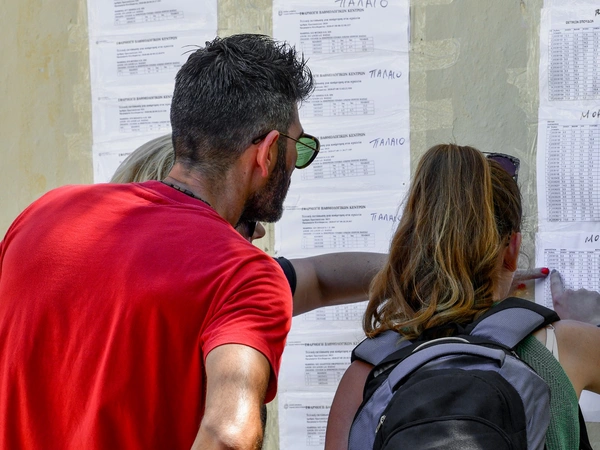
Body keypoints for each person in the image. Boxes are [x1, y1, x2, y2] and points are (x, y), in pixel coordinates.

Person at [0, 34, 315, 450]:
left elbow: (317, 278)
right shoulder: (242, 273)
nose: (297, 163)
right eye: (299, 146)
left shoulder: (44, 215)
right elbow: (228, 435)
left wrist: (397, 268)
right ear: (268, 152)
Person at [324, 144, 600, 450]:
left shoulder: (364, 373)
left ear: (411, 244)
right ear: (512, 248)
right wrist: (590, 322)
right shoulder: (566, 346)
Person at [112, 134, 550, 314]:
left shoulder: (221, 283)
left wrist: (456, 268)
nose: (260, 233)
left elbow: (320, 279)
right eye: (247, 218)